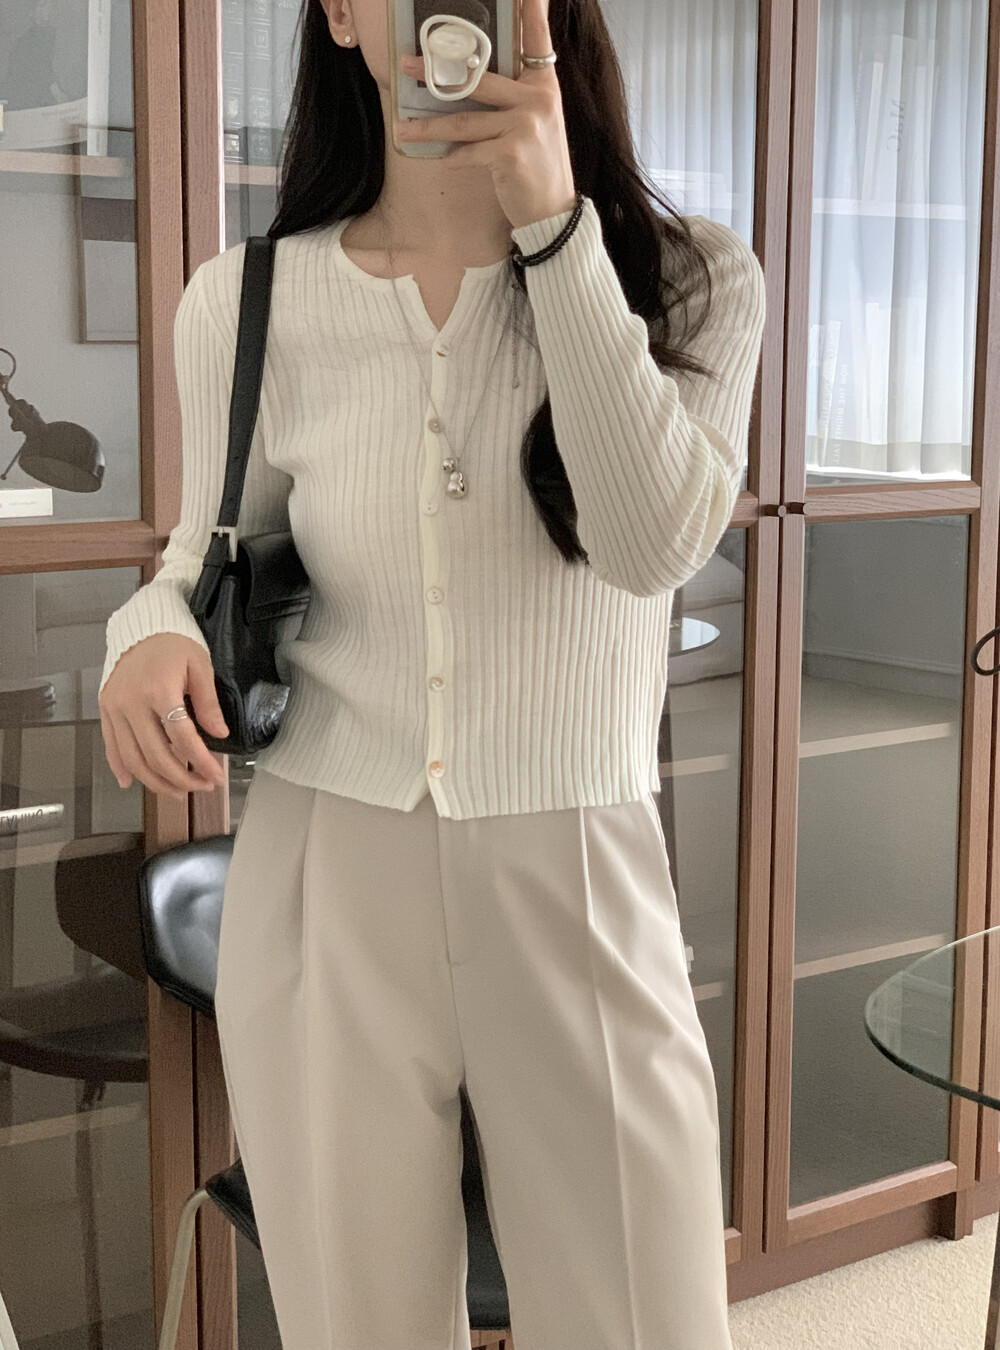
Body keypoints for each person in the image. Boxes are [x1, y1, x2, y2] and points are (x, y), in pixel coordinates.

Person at [98, 0, 766, 1345]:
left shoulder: (690, 277)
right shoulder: (249, 298)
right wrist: (144, 635)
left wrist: (557, 232)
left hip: (577, 857)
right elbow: (201, 553)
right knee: (359, 1317)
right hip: (326, 867)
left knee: (646, 1313)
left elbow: (650, 546)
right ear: (344, 12)